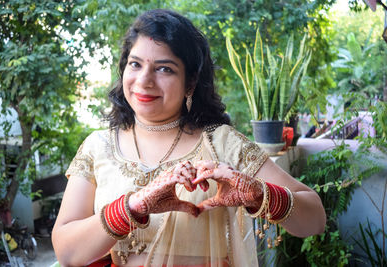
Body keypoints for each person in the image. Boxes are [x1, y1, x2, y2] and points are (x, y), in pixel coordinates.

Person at [52, 9, 326, 267]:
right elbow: (66, 251)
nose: (144, 80)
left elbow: (315, 219)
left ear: (191, 82)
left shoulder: (222, 144)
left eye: (164, 69)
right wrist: (134, 207)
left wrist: (258, 194)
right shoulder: (99, 146)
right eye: (135, 64)